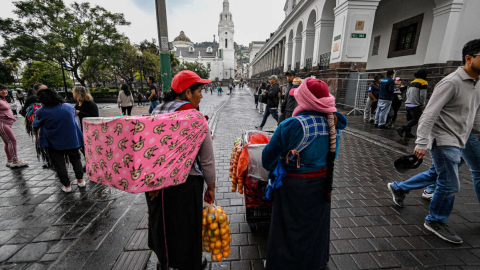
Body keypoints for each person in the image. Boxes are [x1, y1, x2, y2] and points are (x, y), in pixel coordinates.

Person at [387, 39, 480, 244]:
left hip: (461, 138)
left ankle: (400, 187)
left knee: (438, 173)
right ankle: (435, 220)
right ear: (469, 58)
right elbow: (429, 113)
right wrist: (421, 143)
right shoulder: (451, 82)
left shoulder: (477, 83)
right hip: (443, 138)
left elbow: (475, 114)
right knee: (450, 183)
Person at [262, 78, 347, 269]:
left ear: (305, 100)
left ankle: (283, 263)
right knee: (315, 227)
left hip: (292, 187)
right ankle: (314, 261)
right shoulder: (333, 123)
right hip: (322, 184)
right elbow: (332, 155)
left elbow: (267, 159)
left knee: (287, 227)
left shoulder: (291, 125)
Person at [148, 70, 216, 270]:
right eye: (200, 91)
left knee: (160, 223)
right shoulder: (195, 118)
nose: (202, 95)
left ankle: (163, 261)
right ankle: (190, 264)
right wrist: (211, 186)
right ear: (187, 93)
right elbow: (207, 160)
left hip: (156, 183)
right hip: (185, 184)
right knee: (187, 226)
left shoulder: (156, 111)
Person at [33, 88, 85, 193]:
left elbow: (35, 125)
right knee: (76, 159)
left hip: (53, 142)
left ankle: (67, 186)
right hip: (72, 140)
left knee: (59, 163)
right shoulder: (68, 107)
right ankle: (80, 181)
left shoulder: (40, 112)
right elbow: (74, 114)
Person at [0, 84, 28, 168]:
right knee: (12, 141)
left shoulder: (3, 99)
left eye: (5, 89)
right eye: (1, 90)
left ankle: (10, 160)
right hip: (2, 123)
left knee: (7, 142)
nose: (4, 91)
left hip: (7, 123)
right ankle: (15, 160)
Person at [397, 69, 428, 138]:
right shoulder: (423, 82)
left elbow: (407, 93)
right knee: (416, 119)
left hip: (408, 103)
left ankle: (408, 133)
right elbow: (423, 95)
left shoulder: (412, 82)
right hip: (415, 104)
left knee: (409, 119)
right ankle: (402, 128)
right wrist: (422, 103)